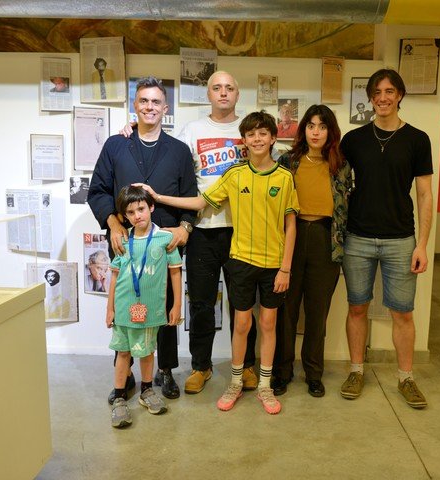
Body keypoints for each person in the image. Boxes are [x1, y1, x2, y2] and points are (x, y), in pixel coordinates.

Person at [135, 111, 299, 415]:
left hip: (275, 265)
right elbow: (200, 203)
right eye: (251, 135)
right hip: (241, 261)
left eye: (264, 133)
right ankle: (235, 382)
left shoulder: (284, 177)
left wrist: (286, 267)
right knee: (242, 322)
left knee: (268, 323)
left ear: (273, 138)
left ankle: (264, 385)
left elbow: (291, 225)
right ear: (244, 141)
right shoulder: (234, 175)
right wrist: (159, 196)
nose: (258, 139)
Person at [120, 71, 259, 395]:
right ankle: (201, 366)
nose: (223, 93)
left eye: (229, 87)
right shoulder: (191, 131)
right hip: (203, 230)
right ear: (208, 94)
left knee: (243, 304)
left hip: (242, 231)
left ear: (237, 94)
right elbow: (162, 150)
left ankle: (247, 364)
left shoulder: (247, 131)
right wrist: (128, 131)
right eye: (216, 88)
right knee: (200, 305)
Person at [88, 76, 198, 404]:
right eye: (143, 101)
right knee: (126, 306)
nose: (149, 107)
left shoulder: (178, 151)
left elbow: (191, 197)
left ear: (165, 108)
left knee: (163, 307)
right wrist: (113, 223)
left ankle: (165, 370)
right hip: (126, 240)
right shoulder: (115, 145)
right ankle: (126, 373)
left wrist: (185, 229)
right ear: (135, 106)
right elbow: (97, 191)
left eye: (156, 102)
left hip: (163, 244)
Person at [339, 68, 433, 409]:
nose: (383, 97)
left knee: (402, 314)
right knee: (357, 307)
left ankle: (406, 378)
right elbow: (336, 185)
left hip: (400, 240)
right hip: (358, 239)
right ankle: (356, 370)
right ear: (370, 98)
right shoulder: (353, 140)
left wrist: (421, 244)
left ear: (400, 95)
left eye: (390, 91)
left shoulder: (418, 139)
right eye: (377, 91)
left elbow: (424, 195)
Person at [272, 104, 352, 397]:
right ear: (303, 129)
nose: (316, 131)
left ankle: (313, 374)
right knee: (286, 311)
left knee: (317, 313)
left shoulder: (340, 165)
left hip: (325, 239)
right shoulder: (287, 161)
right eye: (311, 125)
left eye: (322, 126)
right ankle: (282, 371)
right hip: (291, 238)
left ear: (330, 131)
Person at [107, 186, 182, 428]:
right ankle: (119, 397)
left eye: (141, 209)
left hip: (151, 310)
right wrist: (110, 308)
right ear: (125, 216)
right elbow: (115, 277)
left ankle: (147, 391)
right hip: (123, 309)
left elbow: (175, 273)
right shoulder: (123, 240)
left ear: (151, 207)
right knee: (123, 353)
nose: (137, 215)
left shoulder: (165, 239)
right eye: (131, 212)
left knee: (148, 352)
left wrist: (177, 305)